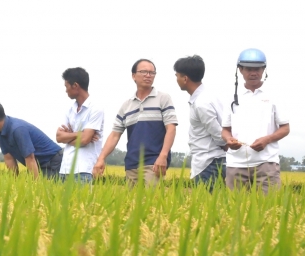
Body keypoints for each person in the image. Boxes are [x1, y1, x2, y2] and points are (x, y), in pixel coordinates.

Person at [93, 59, 178, 186]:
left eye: (152, 72)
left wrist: (163, 156)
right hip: (131, 164)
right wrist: (101, 158)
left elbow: (171, 128)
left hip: (153, 163)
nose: (148, 75)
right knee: (132, 205)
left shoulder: (163, 98)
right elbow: (115, 134)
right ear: (133, 76)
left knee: (151, 203)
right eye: (144, 72)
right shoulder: (127, 105)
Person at [222, 48, 290, 193]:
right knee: (235, 212)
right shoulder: (231, 96)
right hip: (236, 163)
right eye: (248, 69)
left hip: (267, 163)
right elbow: (225, 130)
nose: (253, 73)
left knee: (270, 211)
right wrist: (229, 140)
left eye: (257, 69)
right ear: (240, 70)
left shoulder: (274, 95)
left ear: (263, 69)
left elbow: (285, 128)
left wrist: (267, 139)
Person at [174, 55, 227, 191]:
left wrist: (227, 145)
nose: (176, 79)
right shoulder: (209, 97)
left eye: (177, 76)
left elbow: (219, 135)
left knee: (206, 209)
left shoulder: (201, 103)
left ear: (185, 79)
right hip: (212, 162)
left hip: (208, 164)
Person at [0, 100, 63, 179]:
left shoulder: (18, 129)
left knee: (46, 189)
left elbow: (30, 158)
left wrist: (34, 186)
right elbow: (9, 158)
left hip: (53, 161)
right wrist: (13, 183)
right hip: (38, 164)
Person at [56, 67, 103, 184]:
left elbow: (85, 140)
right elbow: (59, 137)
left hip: (83, 170)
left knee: (82, 202)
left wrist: (70, 136)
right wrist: (80, 133)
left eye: (66, 86)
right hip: (65, 168)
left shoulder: (96, 108)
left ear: (75, 85)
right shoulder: (69, 110)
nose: (66, 90)